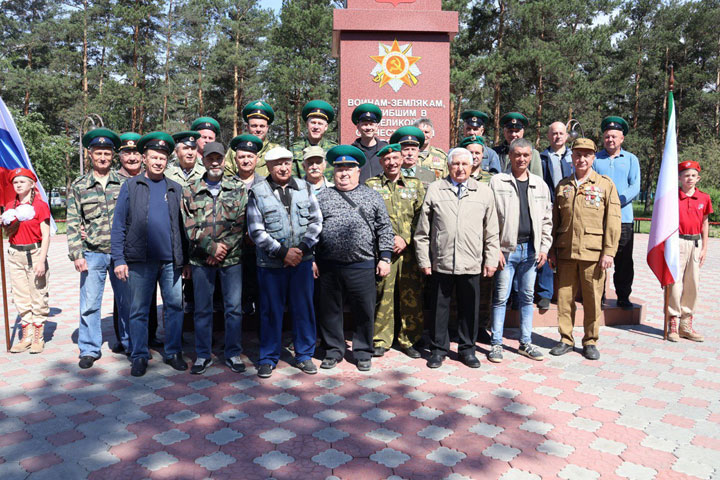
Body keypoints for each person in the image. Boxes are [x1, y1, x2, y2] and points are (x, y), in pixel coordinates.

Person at [111, 132, 189, 377]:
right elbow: (119, 225)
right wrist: (119, 259)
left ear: (167, 161)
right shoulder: (131, 186)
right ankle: (139, 355)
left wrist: (184, 260)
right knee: (139, 309)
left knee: (175, 307)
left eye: (162, 158)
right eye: (153, 157)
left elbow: (183, 227)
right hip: (140, 261)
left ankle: (174, 351)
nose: (158, 162)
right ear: (144, 158)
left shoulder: (176, 188)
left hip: (170, 261)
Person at [415, 147, 500, 369]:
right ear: (448, 166)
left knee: (469, 309)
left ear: (472, 166)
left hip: (471, 261)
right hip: (441, 261)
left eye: (464, 164)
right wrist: (424, 260)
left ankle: (467, 349)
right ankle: (438, 350)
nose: (460, 168)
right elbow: (423, 231)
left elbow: (491, 230)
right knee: (438, 309)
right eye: (455, 164)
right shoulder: (435, 189)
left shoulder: (483, 192)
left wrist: (491, 259)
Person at [316, 145, 393, 371]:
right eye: (339, 168)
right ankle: (333, 350)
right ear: (333, 172)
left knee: (364, 311)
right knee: (330, 311)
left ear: (358, 171)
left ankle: (362, 351)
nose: (344, 173)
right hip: (329, 265)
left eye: (349, 168)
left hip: (362, 264)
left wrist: (385, 257)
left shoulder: (372, 196)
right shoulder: (323, 197)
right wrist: (311, 258)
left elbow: (384, 229)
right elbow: (312, 229)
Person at [247, 147, 322, 379]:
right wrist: (282, 253)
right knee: (270, 312)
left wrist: (301, 250)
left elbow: (316, 221)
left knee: (304, 309)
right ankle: (268, 358)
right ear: (268, 167)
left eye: (287, 163)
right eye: (277, 164)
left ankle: (304, 355)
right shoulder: (257, 191)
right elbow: (255, 230)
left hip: (301, 261)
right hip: (271, 265)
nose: (283, 167)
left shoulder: (305, 187)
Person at [548, 138, 621, 361]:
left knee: (591, 299)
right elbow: (555, 221)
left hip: (593, 253)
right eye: (578, 154)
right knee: (564, 298)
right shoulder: (563, 185)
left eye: (587, 155)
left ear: (593, 158)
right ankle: (565, 339)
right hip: (566, 252)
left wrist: (608, 251)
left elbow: (613, 220)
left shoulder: (605, 185)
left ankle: (590, 340)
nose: (582, 158)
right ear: (572, 157)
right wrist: (552, 249)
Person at [183, 142, 249, 374]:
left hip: (232, 260)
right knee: (202, 309)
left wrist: (222, 250)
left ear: (224, 160)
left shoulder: (237, 187)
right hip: (201, 260)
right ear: (203, 160)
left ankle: (233, 353)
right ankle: (202, 354)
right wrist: (211, 249)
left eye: (218, 158)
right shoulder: (190, 189)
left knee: (233, 308)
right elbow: (188, 224)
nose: (214, 162)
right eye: (210, 158)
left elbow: (242, 223)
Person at [67, 128, 129, 369]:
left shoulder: (124, 183)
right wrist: (76, 254)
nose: (103, 157)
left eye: (107, 153)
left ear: (113, 156)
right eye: (98, 153)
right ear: (89, 155)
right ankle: (89, 349)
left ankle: (128, 343)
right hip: (92, 254)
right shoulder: (80, 185)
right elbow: (73, 221)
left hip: (121, 254)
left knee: (127, 303)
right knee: (90, 304)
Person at [487, 139, 552, 363]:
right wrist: (494, 248)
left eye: (526, 155)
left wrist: (544, 247)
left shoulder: (540, 185)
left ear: (531, 157)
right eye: (517, 155)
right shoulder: (497, 182)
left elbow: (547, 220)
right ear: (510, 157)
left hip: (531, 251)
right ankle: (496, 344)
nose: (521, 159)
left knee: (527, 297)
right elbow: (490, 218)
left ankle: (526, 342)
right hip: (506, 250)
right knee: (501, 298)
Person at [366, 143, 425, 358]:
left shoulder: (415, 185)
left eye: (395, 158)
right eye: (387, 159)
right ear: (381, 162)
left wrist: (406, 239)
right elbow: (368, 219)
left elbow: (421, 217)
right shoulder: (371, 185)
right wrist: (387, 241)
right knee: (383, 294)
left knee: (411, 296)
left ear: (402, 160)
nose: (391, 162)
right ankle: (381, 339)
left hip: (409, 252)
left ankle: (409, 339)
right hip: (384, 252)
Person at [113, 132, 162, 353]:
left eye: (135, 152)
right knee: (125, 299)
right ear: (120, 156)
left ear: (142, 157)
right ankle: (125, 340)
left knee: (147, 298)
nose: (131, 157)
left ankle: (148, 336)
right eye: (127, 152)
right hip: (121, 249)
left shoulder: (153, 178)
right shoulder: (116, 181)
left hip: (146, 248)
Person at [593, 116, 640, 310]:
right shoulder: (595, 159)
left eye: (614, 136)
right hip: (598, 218)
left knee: (623, 260)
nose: (610, 140)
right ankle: (598, 295)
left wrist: (618, 200)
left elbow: (635, 185)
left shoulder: (630, 159)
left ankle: (623, 296)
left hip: (624, 218)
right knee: (597, 258)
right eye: (607, 136)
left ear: (622, 139)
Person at [3, 168, 50, 354]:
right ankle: (26, 336)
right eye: (15, 182)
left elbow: (46, 236)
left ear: (32, 184)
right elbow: (8, 232)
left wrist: (42, 261)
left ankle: (38, 336)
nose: (18, 185)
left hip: (35, 253)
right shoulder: (9, 206)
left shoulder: (40, 205)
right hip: (15, 255)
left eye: (23, 181)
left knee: (38, 294)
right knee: (21, 296)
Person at [666, 160, 712, 342]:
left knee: (693, 283)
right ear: (679, 178)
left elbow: (705, 223)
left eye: (693, 175)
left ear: (698, 178)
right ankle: (673, 322)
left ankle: (686, 323)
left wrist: (705, 248)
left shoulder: (704, 198)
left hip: (695, 243)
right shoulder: (672, 197)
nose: (690, 178)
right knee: (675, 284)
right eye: (686, 175)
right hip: (677, 242)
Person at [536, 122, 574, 310]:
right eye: (554, 133)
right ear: (548, 136)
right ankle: (545, 293)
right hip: (548, 208)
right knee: (546, 247)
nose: (557, 136)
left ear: (566, 136)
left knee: (567, 250)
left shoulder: (574, 157)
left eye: (561, 133)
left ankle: (565, 292)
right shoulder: (541, 157)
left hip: (570, 210)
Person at [229, 134, 265, 316]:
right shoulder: (227, 184)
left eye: (250, 156)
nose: (246, 160)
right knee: (237, 299)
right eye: (241, 157)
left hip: (261, 249)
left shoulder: (266, 184)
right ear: (235, 160)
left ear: (256, 159)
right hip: (235, 251)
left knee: (261, 296)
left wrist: (255, 235)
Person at [225, 100, 279, 177]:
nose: (258, 130)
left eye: (262, 126)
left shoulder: (276, 150)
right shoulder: (234, 151)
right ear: (247, 127)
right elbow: (227, 176)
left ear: (267, 128)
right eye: (254, 126)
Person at [291, 100, 338, 180]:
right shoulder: (295, 149)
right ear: (307, 125)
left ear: (326, 127)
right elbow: (292, 177)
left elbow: (336, 175)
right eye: (313, 123)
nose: (316, 127)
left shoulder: (334, 149)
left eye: (320, 124)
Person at [492, 112, 542, 177]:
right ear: (504, 132)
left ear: (523, 132)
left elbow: (537, 180)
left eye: (517, 131)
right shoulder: (495, 152)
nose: (513, 134)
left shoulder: (533, 153)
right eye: (510, 131)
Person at [350, 103, 387, 182]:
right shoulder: (352, 151)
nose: (368, 128)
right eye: (365, 124)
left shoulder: (385, 149)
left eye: (371, 124)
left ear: (376, 127)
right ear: (358, 126)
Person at [460, 109, 501, 174]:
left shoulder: (491, 155)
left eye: (475, 129)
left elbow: (495, 181)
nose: (472, 132)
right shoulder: (453, 152)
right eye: (468, 129)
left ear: (482, 131)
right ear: (463, 130)